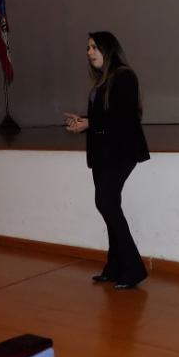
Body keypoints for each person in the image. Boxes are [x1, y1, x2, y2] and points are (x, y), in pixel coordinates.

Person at [64, 31, 150, 289]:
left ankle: (133, 269)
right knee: (109, 204)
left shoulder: (124, 75)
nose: (89, 52)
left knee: (105, 202)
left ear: (108, 48)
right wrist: (83, 121)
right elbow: (105, 116)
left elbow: (124, 117)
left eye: (94, 47)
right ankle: (115, 267)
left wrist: (91, 123)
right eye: (88, 48)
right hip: (103, 152)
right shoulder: (103, 80)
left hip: (120, 151)